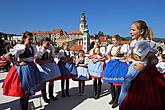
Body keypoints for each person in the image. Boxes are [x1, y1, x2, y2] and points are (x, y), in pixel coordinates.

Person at [119, 20, 165, 110]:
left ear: (141, 31)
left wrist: (144, 66)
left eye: (133, 30)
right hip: (133, 71)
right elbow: (136, 57)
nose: (130, 32)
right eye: (130, 30)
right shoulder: (133, 43)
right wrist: (130, 59)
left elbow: (154, 59)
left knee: (143, 100)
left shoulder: (146, 43)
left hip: (145, 75)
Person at [2, 31, 43, 110]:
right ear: (24, 39)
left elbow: (34, 57)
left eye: (32, 39)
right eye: (29, 39)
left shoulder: (32, 47)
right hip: (24, 70)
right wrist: (17, 63)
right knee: (24, 91)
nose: (31, 41)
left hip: (31, 68)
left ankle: (25, 108)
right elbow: (7, 56)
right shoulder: (20, 47)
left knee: (27, 93)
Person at [103, 34, 130, 108]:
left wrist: (122, 59)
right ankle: (113, 98)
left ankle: (116, 100)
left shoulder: (123, 47)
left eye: (114, 40)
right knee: (111, 83)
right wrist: (109, 59)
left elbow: (127, 56)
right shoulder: (110, 47)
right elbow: (108, 54)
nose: (113, 42)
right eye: (112, 40)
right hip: (111, 65)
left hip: (119, 65)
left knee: (117, 84)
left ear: (118, 40)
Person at [35, 37, 61, 103]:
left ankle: (51, 95)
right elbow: (37, 60)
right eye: (47, 44)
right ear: (42, 42)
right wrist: (47, 61)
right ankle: (44, 96)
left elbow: (52, 56)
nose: (48, 45)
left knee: (52, 80)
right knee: (44, 81)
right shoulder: (39, 49)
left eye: (49, 43)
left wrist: (51, 59)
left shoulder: (50, 48)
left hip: (50, 66)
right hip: (42, 67)